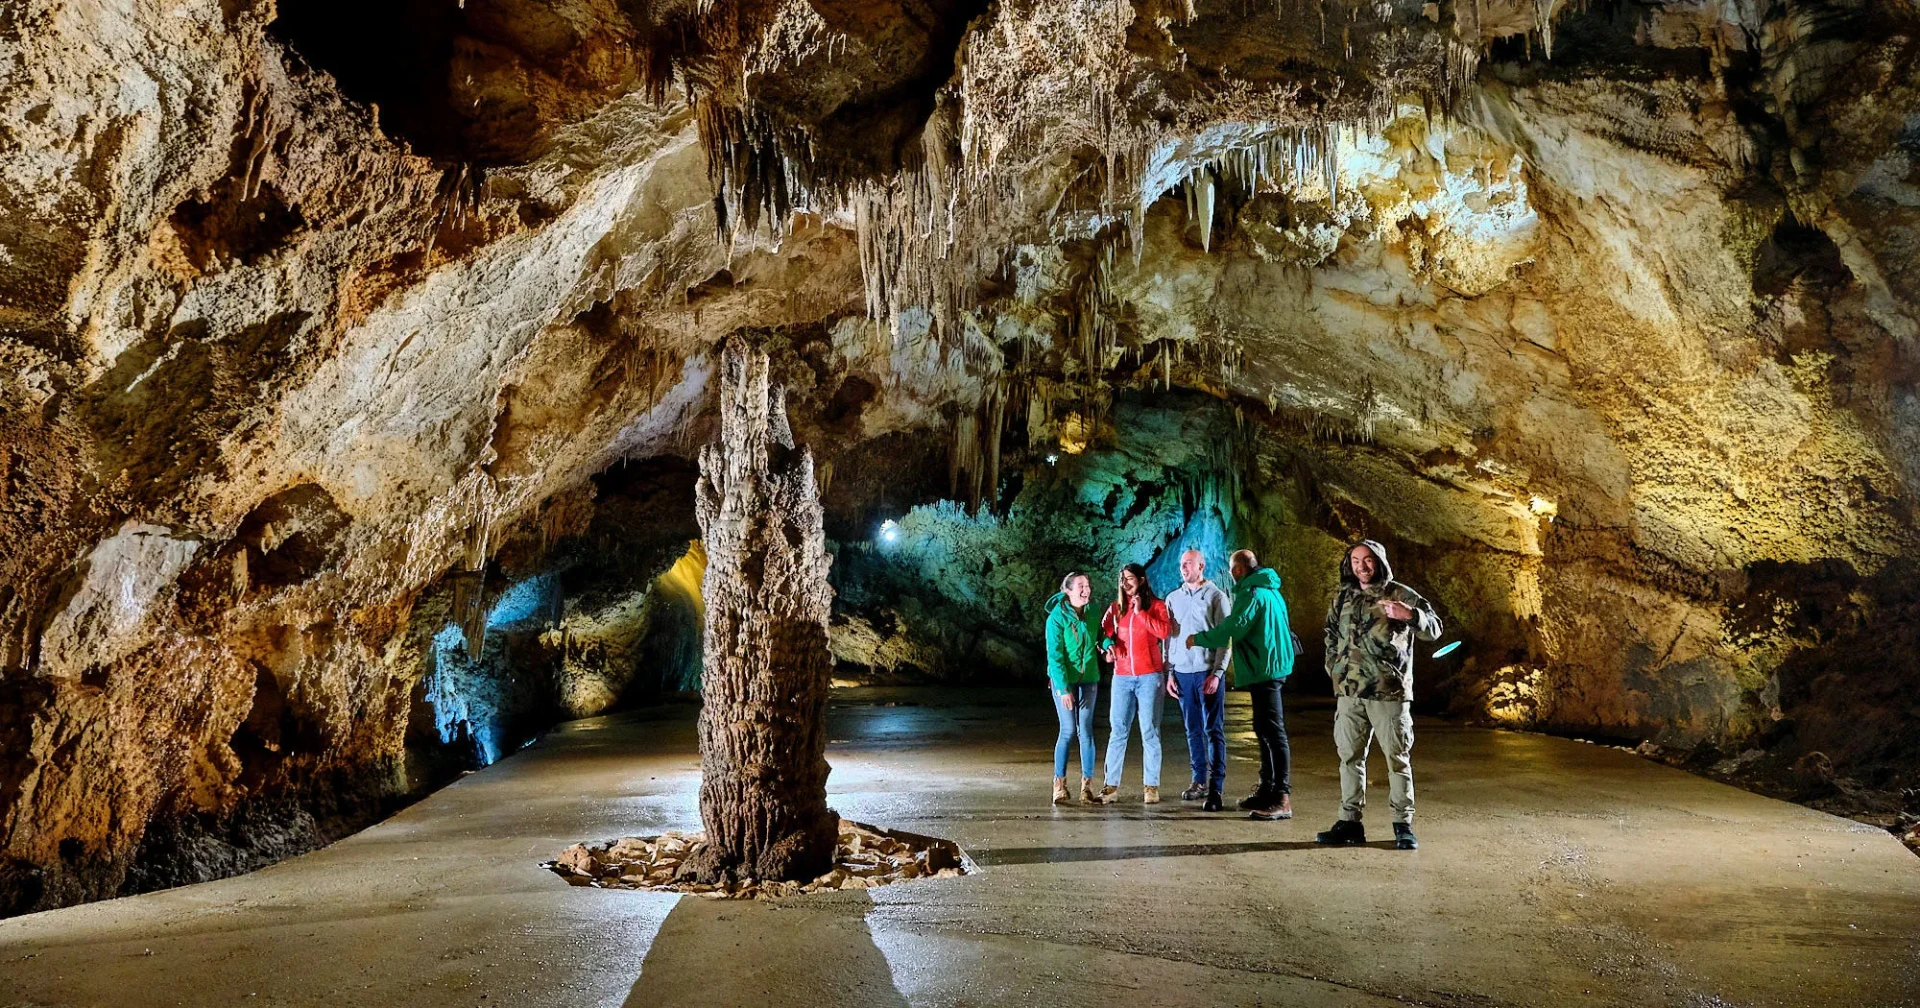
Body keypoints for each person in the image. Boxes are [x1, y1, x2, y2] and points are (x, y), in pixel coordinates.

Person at [1315, 539, 1442, 850]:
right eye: (1356, 560)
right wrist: (1335, 666)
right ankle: (1349, 822)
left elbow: (1434, 629)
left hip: (1388, 692)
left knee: (1397, 759)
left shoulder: (1400, 594)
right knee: (1349, 757)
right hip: (1350, 692)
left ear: (1379, 561)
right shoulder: (1343, 596)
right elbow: (1331, 632)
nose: (1362, 566)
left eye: (1368, 559)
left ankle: (1403, 824)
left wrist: (1411, 615)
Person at [1186, 549, 1295, 821]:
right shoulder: (1270, 589)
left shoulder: (1252, 593)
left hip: (1264, 669)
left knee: (1273, 731)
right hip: (1270, 666)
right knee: (1263, 729)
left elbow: (1233, 627)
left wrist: (1198, 638)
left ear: (1236, 571)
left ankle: (1281, 797)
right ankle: (1267, 789)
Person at [1094, 563, 1173, 804]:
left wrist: (1141, 614)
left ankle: (1151, 785)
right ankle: (1110, 786)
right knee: (1118, 730)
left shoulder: (1157, 606)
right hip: (1122, 676)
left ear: (1141, 580)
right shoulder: (1116, 609)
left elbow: (1164, 632)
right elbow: (1102, 633)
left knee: (1149, 730)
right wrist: (1108, 648)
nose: (1125, 584)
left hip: (1149, 676)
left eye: (1129, 579)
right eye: (1122, 580)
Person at [1164, 549, 1231, 811]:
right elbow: (1170, 639)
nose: (1184, 568)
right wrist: (1170, 671)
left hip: (1205, 671)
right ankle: (1198, 780)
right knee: (1192, 729)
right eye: (1182, 564)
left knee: (1212, 728)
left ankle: (1216, 785)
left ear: (1201, 566)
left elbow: (1225, 636)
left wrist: (1217, 672)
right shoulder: (1173, 598)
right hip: (1182, 672)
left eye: (1189, 564)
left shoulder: (1216, 596)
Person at [1045, 571, 1102, 804]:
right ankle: (1059, 784)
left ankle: (1086, 787)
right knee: (1068, 730)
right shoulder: (1056, 618)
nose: (1085, 589)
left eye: (1087, 585)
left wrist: (1107, 644)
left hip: (1088, 679)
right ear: (1067, 591)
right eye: (1080, 586)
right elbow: (1055, 656)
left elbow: (1100, 634)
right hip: (1065, 681)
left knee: (1086, 731)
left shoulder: (1093, 612)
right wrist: (1062, 689)